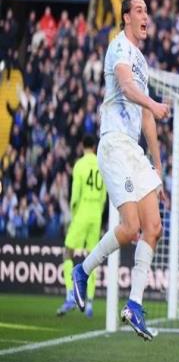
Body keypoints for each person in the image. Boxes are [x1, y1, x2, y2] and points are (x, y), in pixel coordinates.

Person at [72, 0, 170, 341]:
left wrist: (158, 168)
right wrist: (153, 103)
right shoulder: (119, 48)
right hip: (114, 143)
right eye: (140, 10)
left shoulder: (141, 60)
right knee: (130, 228)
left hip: (134, 151)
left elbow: (147, 119)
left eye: (147, 10)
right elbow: (127, 88)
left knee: (153, 227)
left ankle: (134, 305)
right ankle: (83, 271)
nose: (146, 16)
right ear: (126, 16)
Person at [57, 134, 106, 318]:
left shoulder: (79, 165)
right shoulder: (101, 164)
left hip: (82, 211)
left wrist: (73, 215)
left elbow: (75, 196)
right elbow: (104, 196)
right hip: (96, 214)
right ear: (94, 147)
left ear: (82, 146)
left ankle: (71, 294)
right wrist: (98, 213)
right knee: (93, 257)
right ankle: (90, 302)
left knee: (68, 252)